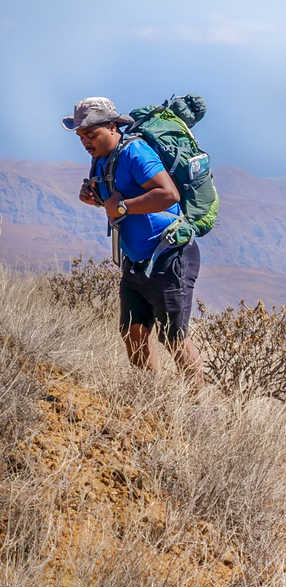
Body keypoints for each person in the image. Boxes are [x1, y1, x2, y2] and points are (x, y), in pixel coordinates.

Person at [63, 97, 203, 386]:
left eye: (91, 134)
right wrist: (93, 198)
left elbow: (168, 195)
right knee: (132, 331)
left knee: (173, 336)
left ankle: (200, 406)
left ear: (113, 126)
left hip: (168, 255)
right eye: (81, 136)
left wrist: (123, 207)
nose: (86, 142)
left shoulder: (136, 153)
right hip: (136, 260)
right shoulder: (101, 160)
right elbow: (113, 200)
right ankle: (146, 395)